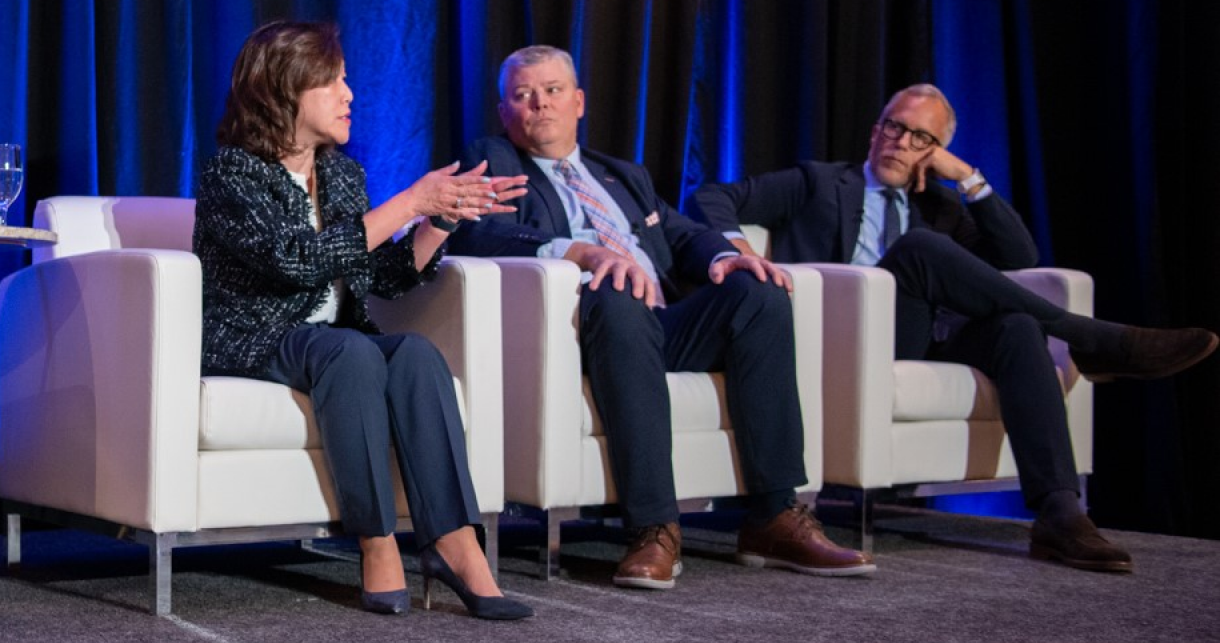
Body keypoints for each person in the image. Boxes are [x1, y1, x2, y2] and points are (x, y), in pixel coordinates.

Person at [690, 83, 1218, 573]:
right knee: (918, 250)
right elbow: (710, 196)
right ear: (876, 131)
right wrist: (737, 246)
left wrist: (967, 177)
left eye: (920, 137)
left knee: (1013, 326)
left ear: (935, 151)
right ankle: (1092, 339)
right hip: (839, 340)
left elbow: (1018, 256)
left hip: (920, 336)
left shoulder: (939, 206)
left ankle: (1059, 513)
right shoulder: (818, 183)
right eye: (893, 127)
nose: (900, 141)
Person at [450, 45, 874, 589]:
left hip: (659, 325)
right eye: (522, 95)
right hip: (581, 327)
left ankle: (774, 514)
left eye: (553, 91)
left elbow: (681, 235)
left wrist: (728, 255)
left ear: (578, 102)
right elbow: (475, 231)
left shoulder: (622, 175)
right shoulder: (494, 161)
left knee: (760, 292)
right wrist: (576, 251)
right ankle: (655, 527)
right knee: (618, 289)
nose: (540, 105)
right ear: (505, 110)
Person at [193, 21, 533, 620]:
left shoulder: (343, 174)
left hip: (329, 340)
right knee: (348, 351)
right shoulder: (231, 173)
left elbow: (385, 275)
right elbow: (297, 261)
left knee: (416, 353)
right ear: (285, 89)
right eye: (334, 81)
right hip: (251, 337)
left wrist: (441, 219)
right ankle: (376, 542)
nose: (350, 94)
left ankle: (455, 541)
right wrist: (409, 201)